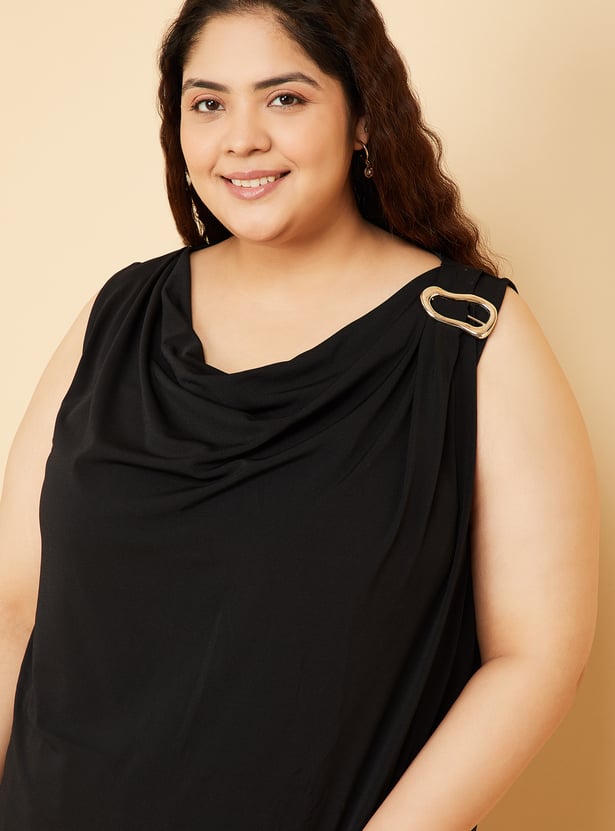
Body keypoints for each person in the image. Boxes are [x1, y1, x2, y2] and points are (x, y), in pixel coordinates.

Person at [0, 0, 599, 829]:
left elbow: (534, 657)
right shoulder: (117, 315)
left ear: (363, 118)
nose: (240, 138)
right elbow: (16, 607)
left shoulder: (467, 335)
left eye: (284, 97)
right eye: (207, 103)